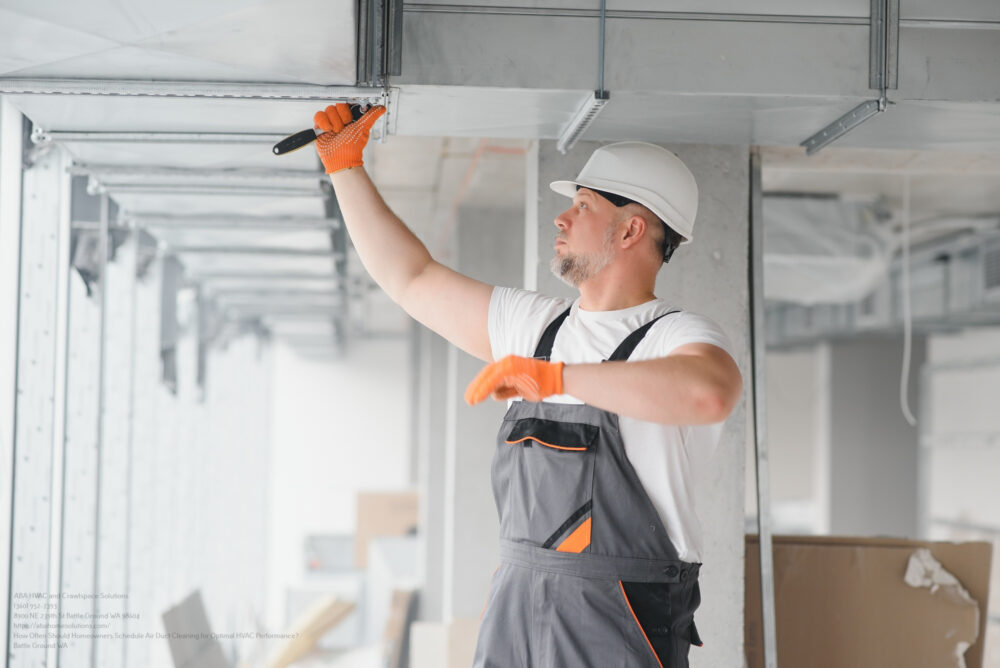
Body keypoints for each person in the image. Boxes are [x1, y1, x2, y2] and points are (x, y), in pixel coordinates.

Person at [312, 104, 743, 668]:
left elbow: (708, 392)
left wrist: (557, 379)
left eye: (583, 206)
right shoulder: (534, 326)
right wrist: (346, 169)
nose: (561, 219)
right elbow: (411, 277)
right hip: (517, 603)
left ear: (631, 229)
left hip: (620, 616)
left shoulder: (674, 335)